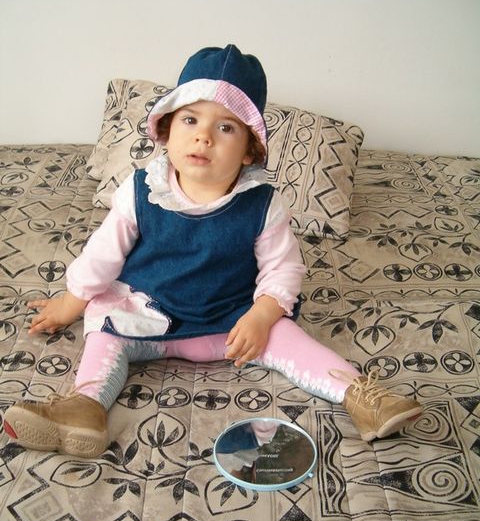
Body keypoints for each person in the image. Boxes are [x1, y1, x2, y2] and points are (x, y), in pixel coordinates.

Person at [3, 45, 422, 457]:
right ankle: (85, 406)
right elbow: (102, 255)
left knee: (285, 333)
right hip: (147, 313)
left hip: (231, 323)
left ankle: (362, 396)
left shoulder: (263, 204)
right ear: (167, 129)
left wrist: (261, 316)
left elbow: (283, 270)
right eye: (190, 119)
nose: (203, 136)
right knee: (103, 321)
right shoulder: (141, 191)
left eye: (226, 128)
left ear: (250, 150)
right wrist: (70, 304)